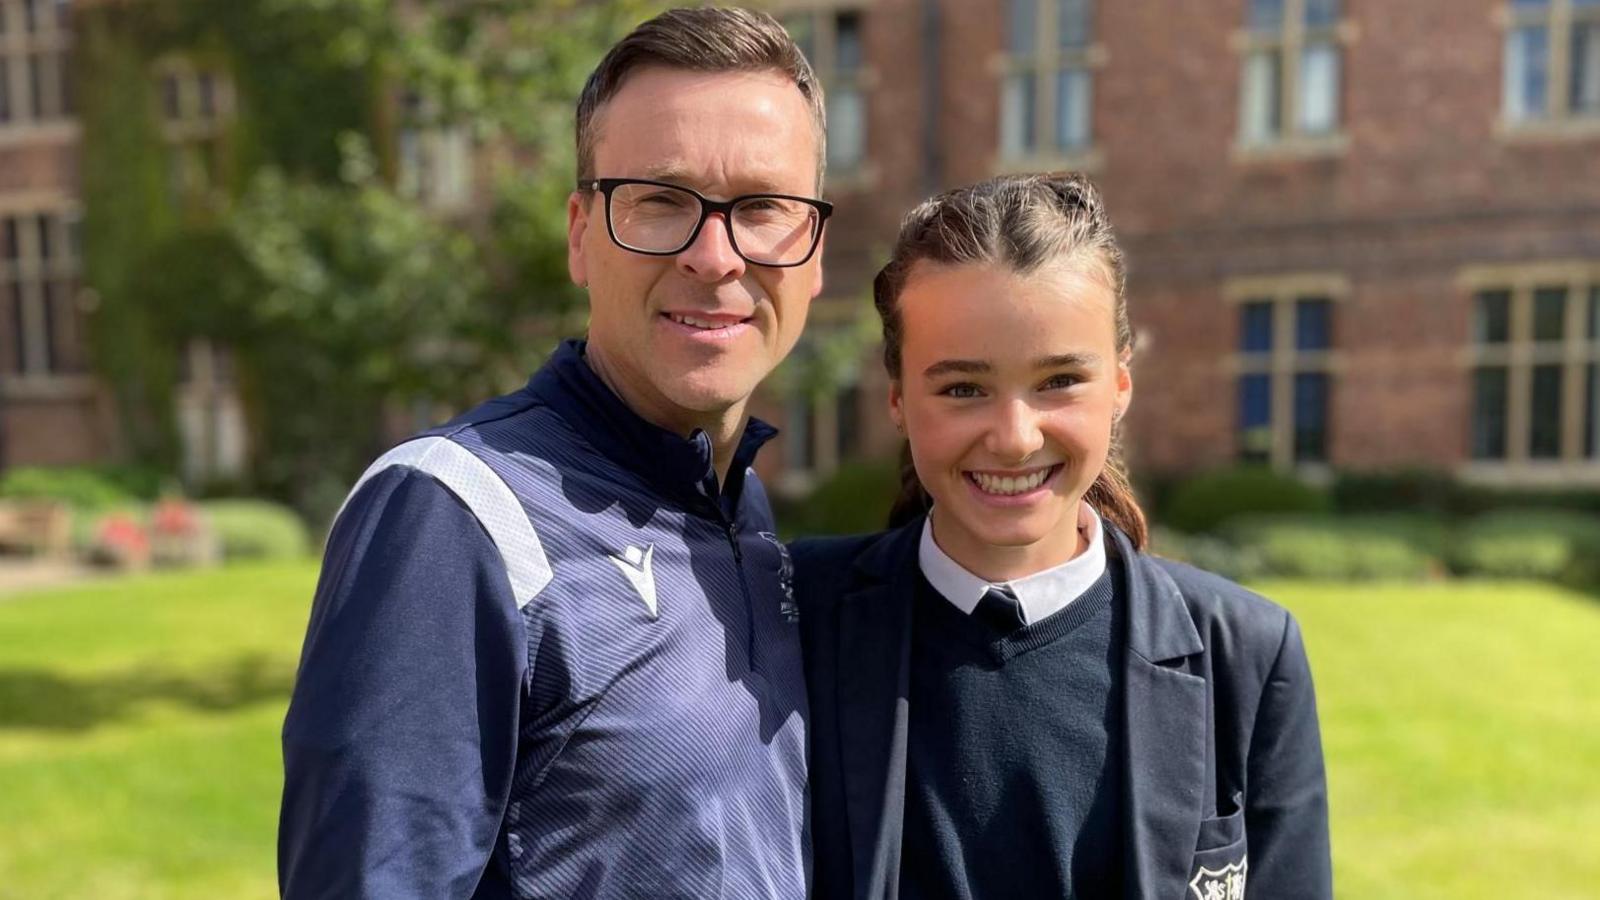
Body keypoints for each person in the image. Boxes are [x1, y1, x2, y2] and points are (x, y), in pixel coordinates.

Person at [278, 8, 830, 898]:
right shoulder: (454, 518)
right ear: (581, 233)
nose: (714, 255)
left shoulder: (741, 516)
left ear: (813, 255)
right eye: (661, 202)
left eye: (762, 208)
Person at [794, 173, 1332, 899]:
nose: (1015, 439)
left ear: (1120, 386)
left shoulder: (1247, 656)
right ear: (896, 397)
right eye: (962, 388)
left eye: (1058, 382)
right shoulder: (797, 619)